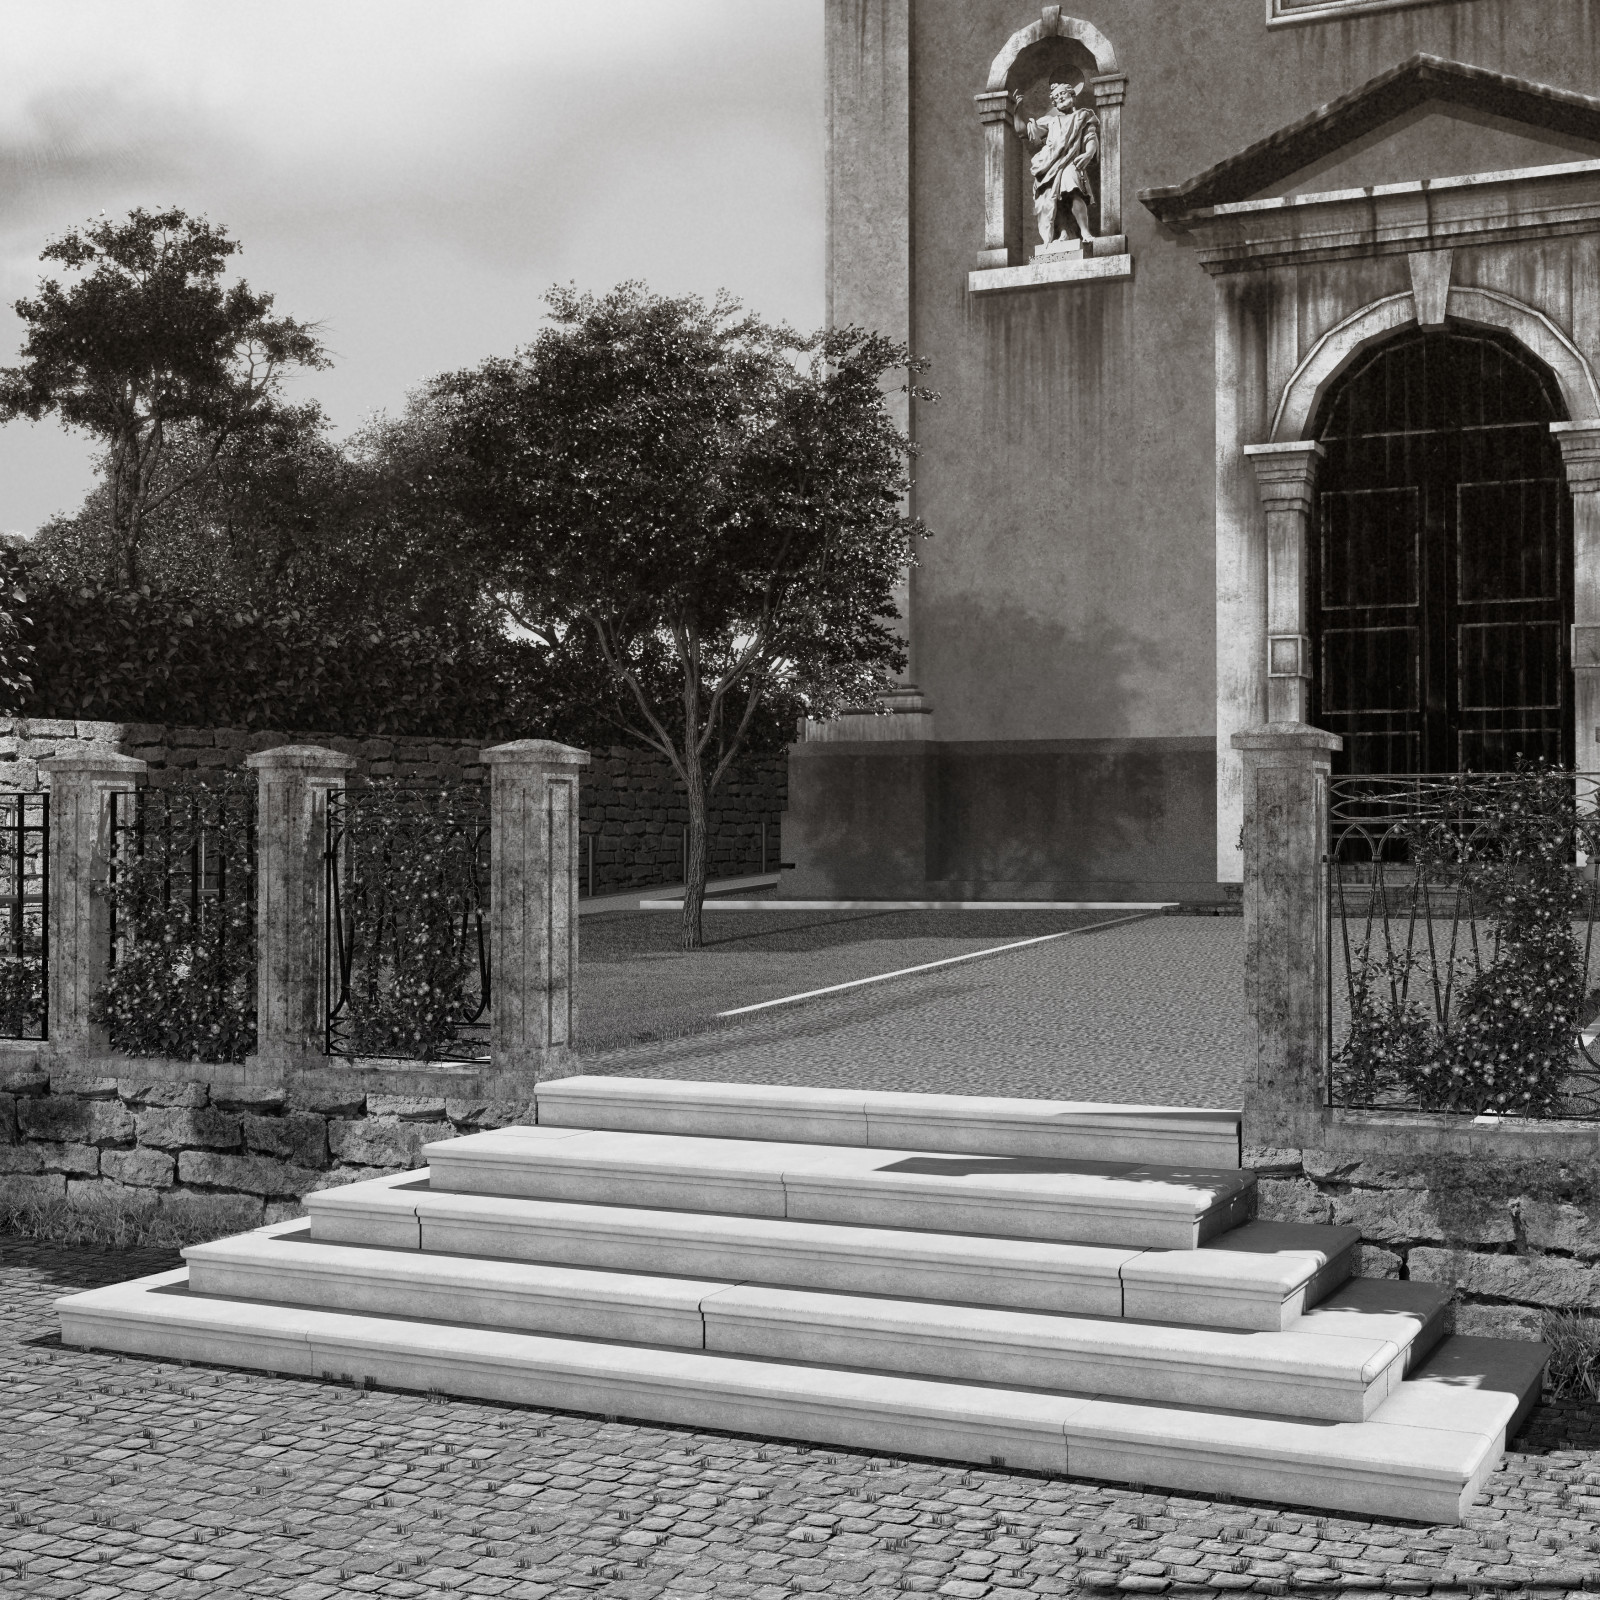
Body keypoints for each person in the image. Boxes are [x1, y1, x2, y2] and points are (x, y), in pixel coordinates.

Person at [1011, 78, 1100, 250]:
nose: (1060, 98)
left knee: (1072, 188)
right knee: (1053, 197)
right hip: (1048, 165)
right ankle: (1063, 233)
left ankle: (1085, 232)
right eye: (1056, 96)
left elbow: (1090, 137)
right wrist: (1017, 109)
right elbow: (1022, 131)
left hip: (1071, 162)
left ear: (1072, 95)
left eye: (1062, 94)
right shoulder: (1050, 121)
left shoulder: (1083, 115)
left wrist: (1089, 153)